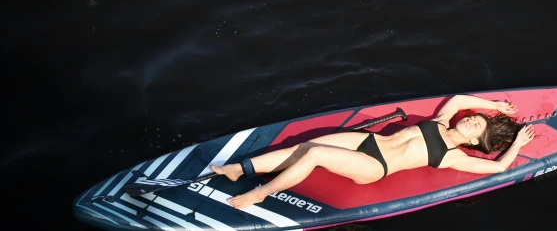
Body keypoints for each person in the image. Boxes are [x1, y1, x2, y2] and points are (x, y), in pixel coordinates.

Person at [210, 95, 536, 208]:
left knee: (315, 156)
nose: (472, 122)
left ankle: (261, 193)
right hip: (368, 141)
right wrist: (491, 105)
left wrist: (517, 145)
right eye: (475, 120)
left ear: (476, 143)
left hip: (374, 165)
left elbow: (496, 169)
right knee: (304, 146)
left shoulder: (453, 155)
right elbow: (462, 101)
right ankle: (243, 169)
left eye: (478, 128)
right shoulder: (441, 120)